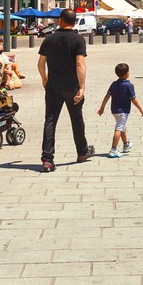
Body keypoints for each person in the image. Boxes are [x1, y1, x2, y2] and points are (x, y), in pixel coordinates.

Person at [37, 9, 93, 172]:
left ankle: (47, 160)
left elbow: (40, 63)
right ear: (75, 22)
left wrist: (44, 79)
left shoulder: (49, 39)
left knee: (50, 120)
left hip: (53, 86)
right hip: (72, 87)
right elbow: (79, 64)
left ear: (60, 20)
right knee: (77, 119)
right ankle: (82, 153)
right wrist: (82, 87)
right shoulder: (78, 40)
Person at [96, 63, 143, 158]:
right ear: (127, 73)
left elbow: (107, 96)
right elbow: (133, 99)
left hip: (114, 111)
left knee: (122, 127)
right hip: (123, 111)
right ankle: (113, 149)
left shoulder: (114, 84)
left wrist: (102, 108)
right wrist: (140, 109)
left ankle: (126, 144)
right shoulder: (128, 85)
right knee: (119, 128)